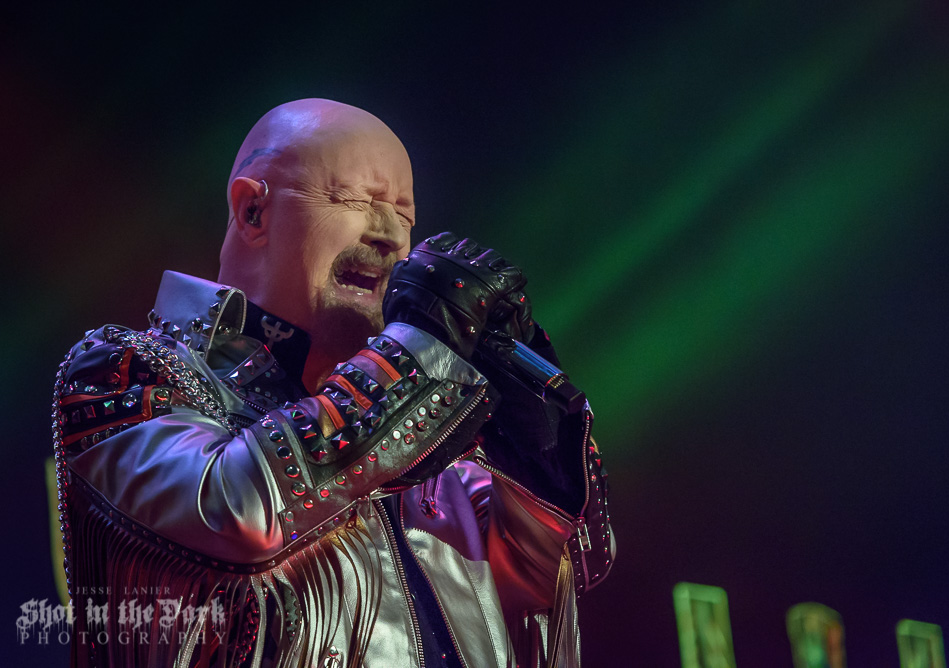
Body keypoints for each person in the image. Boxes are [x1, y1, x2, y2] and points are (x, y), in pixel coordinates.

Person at [52, 98, 612, 667]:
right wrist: (415, 357)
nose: (390, 237)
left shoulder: (434, 448)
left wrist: (540, 453)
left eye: (404, 215)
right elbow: (228, 514)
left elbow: (549, 591)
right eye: (354, 200)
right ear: (253, 211)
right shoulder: (123, 373)